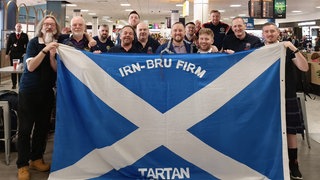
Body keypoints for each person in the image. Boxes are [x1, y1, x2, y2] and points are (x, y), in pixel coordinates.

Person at [260, 22, 309, 180]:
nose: (269, 34)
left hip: (287, 95)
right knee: (268, 131)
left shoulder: (287, 50)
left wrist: (294, 49)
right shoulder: (259, 52)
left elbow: (304, 68)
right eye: (266, 31)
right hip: (268, 97)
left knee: (290, 132)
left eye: (272, 31)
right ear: (263, 35)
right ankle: (271, 163)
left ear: (278, 33)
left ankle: (294, 165)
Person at [16, 15, 60, 180]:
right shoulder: (34, 43)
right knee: (26, 129)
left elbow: (56, 70)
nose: (49, 27)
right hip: (29, 92)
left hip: (47, 93)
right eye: (46, 24)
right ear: (41, 27)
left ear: (55, 28)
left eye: (52, 25)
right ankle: (22, 165)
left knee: (42, 129)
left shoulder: (57, 44)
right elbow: (32, 66)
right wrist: (45, 50)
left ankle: (36, 158)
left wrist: (51, 56)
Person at [5, 23, 29, 89]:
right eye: (17, 26)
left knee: (20, 69)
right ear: (15, 27)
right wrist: (7, 53)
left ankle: (20, 83)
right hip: (13, 54)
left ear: (21, 27)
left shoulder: (24, 35)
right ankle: (14, 84)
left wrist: (26, 53)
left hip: (21, 54)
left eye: (19, 26)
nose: (18, 27)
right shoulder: (11, 35)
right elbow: (8, 44)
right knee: (14, 69)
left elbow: (27, 45)